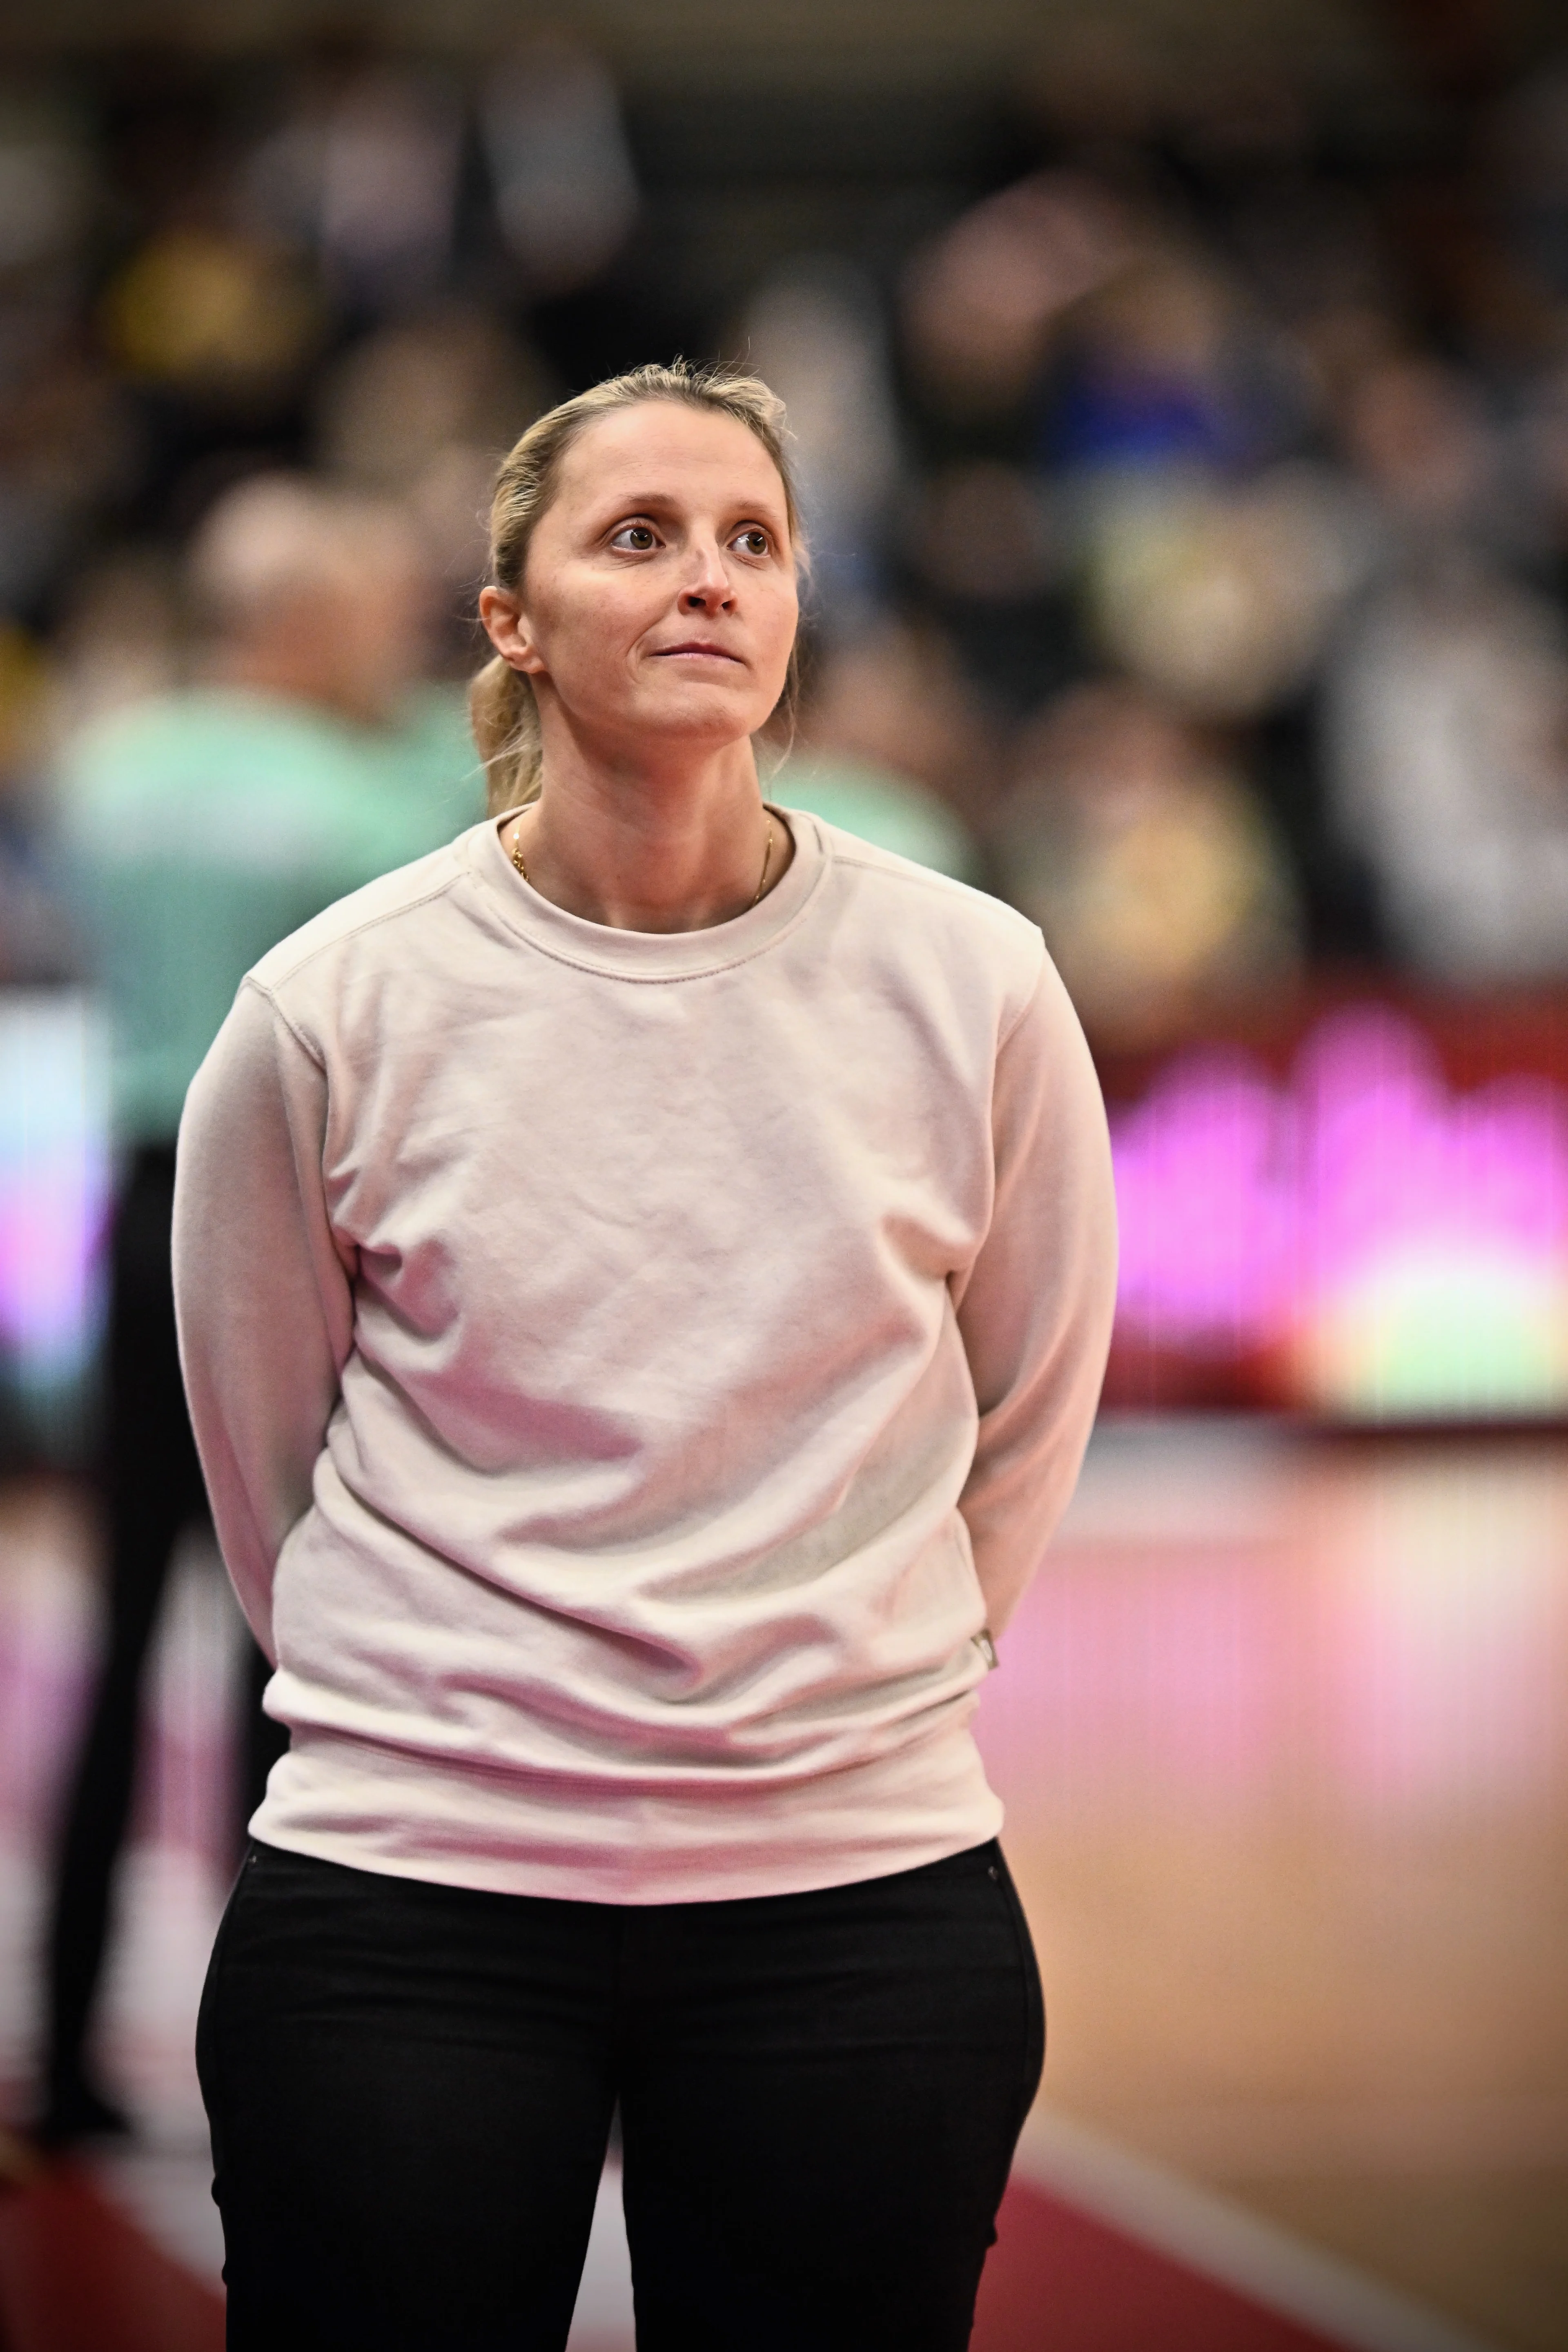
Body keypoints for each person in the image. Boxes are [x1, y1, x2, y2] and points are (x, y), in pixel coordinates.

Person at [175, 363, 1117, 2350]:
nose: (708, 581)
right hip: (409, 1899)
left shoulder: (977, 979)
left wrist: (848, 1687)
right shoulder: (333, 1007)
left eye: (750, 542)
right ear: (510, 619)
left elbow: (1029, 1412)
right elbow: (267, 1469)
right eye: (641, 537)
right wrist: (452, 1716)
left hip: (861, 1902)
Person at [37, 474, 483, 2146]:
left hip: (135, 1201)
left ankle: (70, 2047)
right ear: (300, 620)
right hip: (294, 1217)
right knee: (291, 1645)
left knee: (124, 1631)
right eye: (370, 610)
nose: (393, 641)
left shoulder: (111, 768)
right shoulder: (379, 798)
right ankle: (276, 2049)